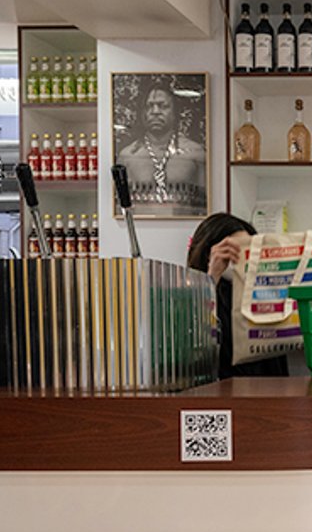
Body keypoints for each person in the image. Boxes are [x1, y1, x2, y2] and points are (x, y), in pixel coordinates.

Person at [187, 213, 289, 380]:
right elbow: (194, 345)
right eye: (233, 251)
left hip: (270, 392)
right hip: (221, 393)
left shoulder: (264, 294)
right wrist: (213, 276)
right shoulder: (198, 296)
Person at [118, 78, 206, 211]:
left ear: (175, 113)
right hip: (138, 229)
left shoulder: (195, 152)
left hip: (185, 229)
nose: (155, 111)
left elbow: (206, 206)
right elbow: (119, 208)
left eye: (163, 106)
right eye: (149, 106)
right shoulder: (127, 156)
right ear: (143, 114)